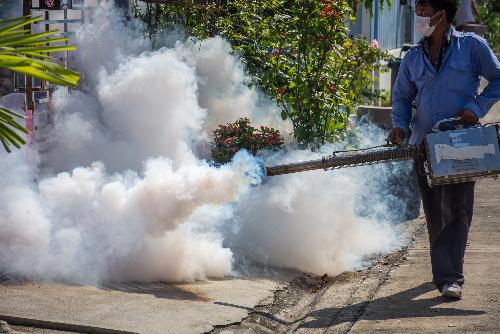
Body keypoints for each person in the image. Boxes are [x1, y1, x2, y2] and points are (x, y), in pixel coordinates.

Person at [388, 0, 500, 299]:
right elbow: (401, 96)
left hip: (460, 142)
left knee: (459, 210)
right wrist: (399, 125)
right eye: (417, 11)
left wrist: (476, 106)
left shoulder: (472, 47)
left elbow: (498, 78)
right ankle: (443, 268)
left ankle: (450, 277)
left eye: (423, 10)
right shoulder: (412, 56)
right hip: (424, 144)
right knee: (435, 214)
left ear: (442, 14)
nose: (418, 17)